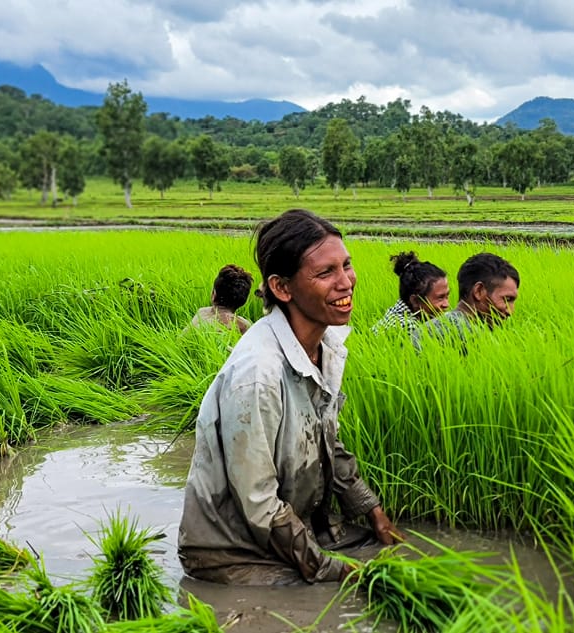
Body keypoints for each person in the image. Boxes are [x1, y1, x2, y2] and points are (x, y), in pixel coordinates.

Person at [178, 209, 403, 585]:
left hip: (288, 530)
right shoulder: (257, 376)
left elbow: (325, 437)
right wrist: (330, 568)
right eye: (325, 272)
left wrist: (372, 510)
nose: (346, 282)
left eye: (346, 265)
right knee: (334, 597)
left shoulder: (325, 346)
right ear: (282, 288)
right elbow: (258, 501)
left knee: (388, 554)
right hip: (231, 552)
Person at [413, 252, 519, 349]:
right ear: (478, 291)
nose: (510, 311)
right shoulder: (476, 338)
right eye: (506, 299)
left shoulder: (426, 328)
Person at [372, 251, 450, 335]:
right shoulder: (407, 327)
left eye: (447, 296)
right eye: (440, 298)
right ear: (415, 301)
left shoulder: (398, 312)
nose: (446, 304)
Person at [190, 264, 254, 334]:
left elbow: (180, 340)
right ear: (243, 301)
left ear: (213, 294)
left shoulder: (201, 314)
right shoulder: (245, 325)